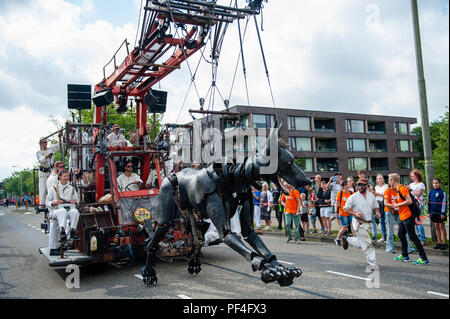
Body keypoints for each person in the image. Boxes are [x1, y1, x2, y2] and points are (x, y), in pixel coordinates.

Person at [390, 173, 429, 265]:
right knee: (401, 234)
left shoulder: (402, 188)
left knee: (412, 236)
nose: (389, 182)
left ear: (393, 181)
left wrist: (397, 205)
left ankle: (423, 258)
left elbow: (409, 201)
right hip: (403, 216)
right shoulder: (398, 189)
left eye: (389, 180)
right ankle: (404, 255)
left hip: (408, 216)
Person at [342, 177, 380, 267]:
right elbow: (346, 209)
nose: (360, 187)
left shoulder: (371, 196)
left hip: (368, 222)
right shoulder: (353, 197)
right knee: (367, 243)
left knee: (362, 242)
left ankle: (346, 238)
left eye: (362, 185)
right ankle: (372, 262)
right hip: (358, 222)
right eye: (359, 185)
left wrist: (377, 212)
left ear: (367, 185)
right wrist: (355, 213)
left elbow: (376, 206)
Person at [45, 170, 80, 256]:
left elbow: (77, 200)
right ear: (60, 177)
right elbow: (47, 202)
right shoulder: (53, 188)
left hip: (67, 210)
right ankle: (62, 231)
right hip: (55, 210)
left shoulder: (71, 189)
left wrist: (75, 201)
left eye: (67, 176)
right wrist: (54, 202)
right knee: (62, 212)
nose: (66, 178)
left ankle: (72, 231)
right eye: (64, 176)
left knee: (75, 211)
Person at [383, 182, 416, 254]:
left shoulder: (399, 190)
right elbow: (385, 203)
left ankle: (409, 248)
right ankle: (390, 248)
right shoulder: (387, 190)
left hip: (399, 212)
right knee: (390, 230)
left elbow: (404, 200)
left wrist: (397, 205)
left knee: (404, 230)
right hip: (389, 211)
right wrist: (394, 206)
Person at [36, 137, 61, 207]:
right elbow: (41, 160)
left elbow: (58, 145)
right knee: (43, 189)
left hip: (51, 171)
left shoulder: (50, 149)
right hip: (43, 172)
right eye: (44, 142)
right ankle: (42, 203)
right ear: (40, 143)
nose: (45, 143)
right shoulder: (38, 152)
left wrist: (60, 137)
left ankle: (54, 200)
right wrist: (47, 156)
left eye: (46, 142)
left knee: (53, 185)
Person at [428, 179, 448, 250]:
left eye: (436, 183)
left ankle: (445, 243)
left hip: (441, 213)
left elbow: (444, 203)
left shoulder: (442, 192)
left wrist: (443, 213)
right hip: (433, 213)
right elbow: (429, 203)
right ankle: (439, 242)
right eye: (434, 183)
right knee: (436, 227)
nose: (435, 184)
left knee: (441, 227)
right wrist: (429, 212)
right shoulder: (431, 192)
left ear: (440, 184)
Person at [409, 169, 427, 245]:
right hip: (412, 204)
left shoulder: (421, 184)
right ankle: (418, 237)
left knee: (419, 221)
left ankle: (422, 238)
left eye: (413, 175)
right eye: (411, 176)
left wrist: (411, 190)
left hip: (418, 204)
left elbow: (418, 194)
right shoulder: (411, 184)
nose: (412, 177)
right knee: (414, 222)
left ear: (417, 176)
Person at [334, 180, 353, 246]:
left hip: (351, 212)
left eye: (348, 184)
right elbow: (336, 203)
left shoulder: (351, 193)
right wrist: (336, 212)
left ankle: (356, 241)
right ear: (343, 187)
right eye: (346, 185)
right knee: (344, 227)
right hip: (343, 213)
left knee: (353, 226)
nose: (347, 186)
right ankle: (338, 238)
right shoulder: (340, 193)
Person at [374, 174, 388, 243]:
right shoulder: (376, 187)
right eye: (378, 178)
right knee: (381, 220)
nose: (380, 180)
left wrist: (378, 194)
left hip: (384, 203)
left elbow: (386, 195)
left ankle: (389, 236)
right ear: (376, 180)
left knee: (387, 220)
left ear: (383, 179)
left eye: (381, 178)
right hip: (378, 203)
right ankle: (383, 236)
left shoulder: (386, 186)